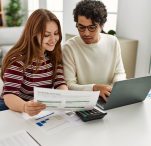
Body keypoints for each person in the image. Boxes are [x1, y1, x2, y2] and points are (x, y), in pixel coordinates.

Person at [0, 9, 68, 116]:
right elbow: (9, 95)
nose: (53, 39)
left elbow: (59, 82)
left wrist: (63, 96)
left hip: (38, 108)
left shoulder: (54, 55)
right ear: (33, 34)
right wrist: (25, 107)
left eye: (56, 33)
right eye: (46, 35)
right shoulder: (18, 60)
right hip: (15, 106)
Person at [62, 0, 126, 102]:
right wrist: (94, 88)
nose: (86, 33)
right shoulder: (69, 47)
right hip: (82, 101)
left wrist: (115, 89)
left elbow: (120, 73)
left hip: (109, 98)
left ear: (102, 25)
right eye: (81, 27)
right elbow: (69, 85)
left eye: (92, 27)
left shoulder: (113, 42)